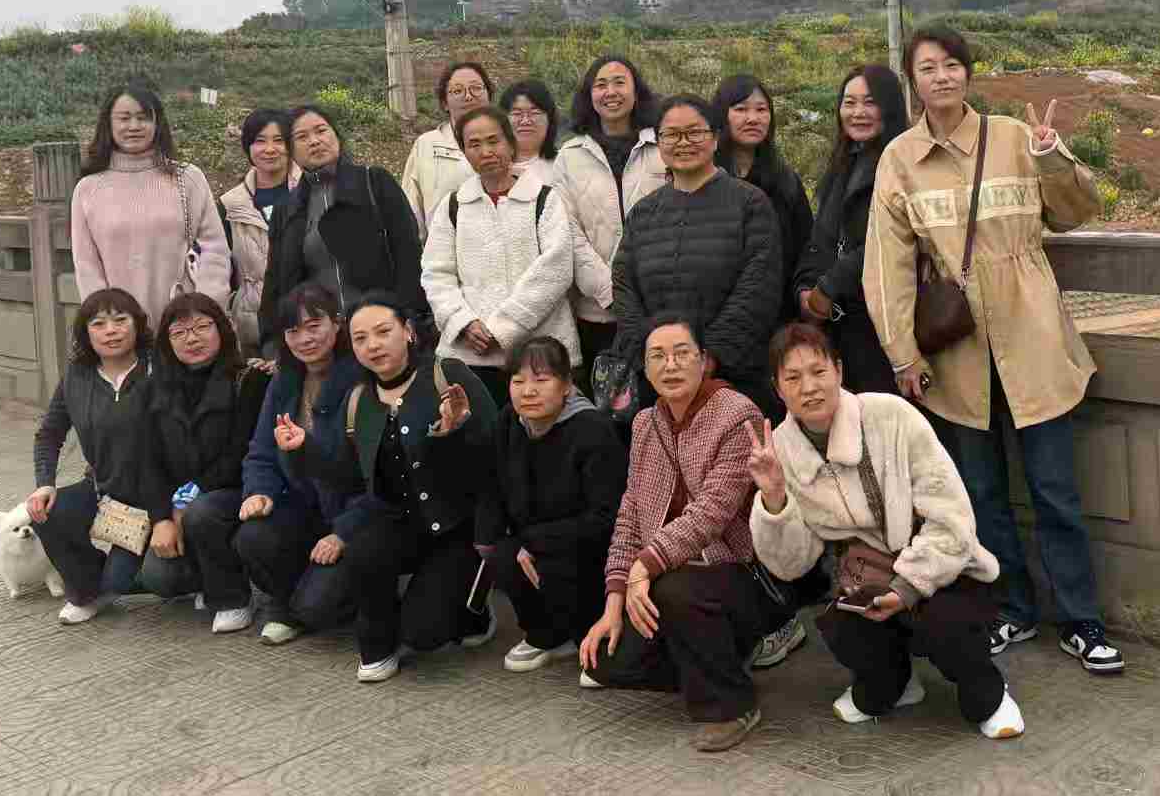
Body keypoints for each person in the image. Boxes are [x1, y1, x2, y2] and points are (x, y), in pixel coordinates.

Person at [865, 24, 1124, 673]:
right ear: (913, 81)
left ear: (968, 73)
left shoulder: (1013, 137)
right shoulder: (899, 159)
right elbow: (887, 268)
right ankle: (1013, 607)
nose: (943, 76)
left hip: (1033, 341)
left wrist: (1052, 156)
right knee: (981, 495)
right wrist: (903, 354)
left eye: (952, 64)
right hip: (958, 353)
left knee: (1055, 491)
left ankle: (1082, 619)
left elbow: (1075, 212)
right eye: (928, 67)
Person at [748, 324, 1024, 738]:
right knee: (846, 631)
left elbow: (951, 518)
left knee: (947, 626)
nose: (809, 387)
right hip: (865, 578)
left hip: (940, 569)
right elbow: (791, 564)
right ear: (778, 389)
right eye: (793, 377)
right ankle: (895, 684)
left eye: (819, 371)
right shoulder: (780, 450)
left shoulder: (891, 416)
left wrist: (907, 586)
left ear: (839, 371)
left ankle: (989, 694)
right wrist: (773, 498)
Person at [577, 315, 793, 754]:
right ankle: (716, 662)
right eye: (658, 356)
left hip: (743, 576)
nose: (670, 365)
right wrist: (614, 603)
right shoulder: (644, 423)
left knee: (675, 588)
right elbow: (630, 514)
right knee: (603, 661)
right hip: (669, 578)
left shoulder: (738, 415)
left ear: (704, 360)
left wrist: (644, 567)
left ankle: (731, 705)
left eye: (681, 353)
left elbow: (710, 514)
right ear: (645, 367)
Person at [275, 292, 499, 683]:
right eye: (360, 338)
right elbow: (347, 476)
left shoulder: (447, 375)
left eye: (383, 332)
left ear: (408, 331)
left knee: (424, 635)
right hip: (399, 523)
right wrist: (303, 449)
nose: (373, 345)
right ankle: (378, 645)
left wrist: (456, 431)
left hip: (457, 528)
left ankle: (472, 610)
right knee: (364, 549)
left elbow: (495, 457)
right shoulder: (359, 399)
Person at [612, 94, 783, 421]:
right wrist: (652, 356)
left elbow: (758, 288)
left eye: (694, 133)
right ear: (658, 142)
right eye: (671, 135)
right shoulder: (644, 213)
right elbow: (623, 286)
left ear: (716, 138)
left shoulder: (750, 204)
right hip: (657, 384)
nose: (683, 142)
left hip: (731, 379)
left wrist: (709, 357)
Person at [476, 336, 626, 673]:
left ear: (567, 385)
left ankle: (586, 627)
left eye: (541, 380)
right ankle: (545, 635)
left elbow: (606, 518)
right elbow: (492, 485)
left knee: (552, 563)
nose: (528, 391)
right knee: (502, 555)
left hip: (587, 549)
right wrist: (492, 539)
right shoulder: (509, 421)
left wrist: (534, 541)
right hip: (532, 538)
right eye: (518, 381)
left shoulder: (593, 430)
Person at [421, 106, 581, 406]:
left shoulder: (545, 199)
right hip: (470, 357)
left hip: (541, 353)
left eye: (494, 141)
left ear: (510, 143)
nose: (486, 151)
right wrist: (463, 323)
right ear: (464, 151)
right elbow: (436, 274)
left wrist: (502, 328)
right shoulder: (453, 206)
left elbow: (556, 270)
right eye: (474, 144)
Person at [235, 283, 365, 645]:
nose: (305, 339)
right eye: (293, 330)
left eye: (314, 326)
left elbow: (374, 477)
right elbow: (261, 451)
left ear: (337, 323)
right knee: (252, 535)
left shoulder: (361, 378)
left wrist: (344, 531)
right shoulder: (284, 381)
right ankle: (284, 601)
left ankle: (316, 602)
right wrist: (258, 492)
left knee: (317, 609)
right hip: (303, 509)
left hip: (353, 513)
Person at [28, 288, 165, 625]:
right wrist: (45, 483)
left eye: (120, 320)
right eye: (99, 323)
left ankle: (196, 577)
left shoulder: (161, 368)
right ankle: (87, 591)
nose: (111, 331)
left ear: (137, 325)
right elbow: (49, 433)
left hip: (160, 494)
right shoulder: (77, 376)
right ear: (85, 332)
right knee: (47, 513)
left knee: (144, 579)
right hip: (105, 489)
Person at [135, 294, 270, 633]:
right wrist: (162, 518)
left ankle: (233, 598)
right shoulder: (154, 389)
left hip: (235, 492)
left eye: (201, 327)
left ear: (221, 329)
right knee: (158, 576)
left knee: (203, 513)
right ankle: (206, 579)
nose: (191, 339)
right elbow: (149, 461)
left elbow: (241, 453)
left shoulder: (248, 380)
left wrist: (188, 500)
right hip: (182, 501)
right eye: (179, 332)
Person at [258, 106, 427, 355]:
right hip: (324, 344)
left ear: (336, 136)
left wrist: (411, 318)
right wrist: (272, 343)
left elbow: (409, 254)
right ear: (291, 151)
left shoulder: (374, 183)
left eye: (321, 131)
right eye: (302, 137)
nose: (314, 141)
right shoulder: (287, 209)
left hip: (383, 332)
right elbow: (276, 281)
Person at [71, 82, 231, 331]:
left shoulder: (187, 178)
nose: (134, 126)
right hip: (123, 332)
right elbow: (87, 266)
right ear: (108, 124)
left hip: (186, 327)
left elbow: (214, 249)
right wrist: (109, 323)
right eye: (124, 118)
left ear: (157, 124)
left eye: (143, 117)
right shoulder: (88, 189)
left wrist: (205, 309)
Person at [792, 64, 910, 395]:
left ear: (889, 107)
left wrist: (827, 288)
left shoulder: (900, 164)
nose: (858, 113)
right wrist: (805, 286)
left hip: (880, 324)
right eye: (849, 102)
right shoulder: (844, 162)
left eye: (870, 102)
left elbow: (882, 240)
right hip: (841, 321)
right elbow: (822, 237)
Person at [553, 55, 667, 370]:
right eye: (601, 85)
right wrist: (610, 292)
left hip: (658, 304)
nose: (611, 92)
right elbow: (568, 231)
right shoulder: (570, 156)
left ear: (636, 91)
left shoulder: (662, 147)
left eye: (620, 82)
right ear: (589, 95)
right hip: (597, 311)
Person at [711, 74, 813, 325]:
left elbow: (805, 246)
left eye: (761, 109)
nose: (753, 118)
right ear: (721, 115)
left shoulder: (785, 180)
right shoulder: (705, 178)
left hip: (778, 315)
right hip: (718, 317)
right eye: (740, 109)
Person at [221, 108, 299, 356]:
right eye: (260, 141)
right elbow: (222, 269)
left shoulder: (312, 192)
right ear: (248, 147)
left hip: (308, 321)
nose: (270, 149)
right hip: (253, 331)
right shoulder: (230, 205)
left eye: (279, 140)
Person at [401, 60, 495, 234]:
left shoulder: (508, 142)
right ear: (445, 102)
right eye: (457, 91)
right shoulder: (426, 145)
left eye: (476, 88)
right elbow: (411, 213)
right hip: (441, 247)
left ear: (489, 95)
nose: (469, 96)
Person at [500, 79, 562, 181]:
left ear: (549, 119)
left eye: (535, 113)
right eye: (517, 113)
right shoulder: (490, 166)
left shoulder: (564, 165)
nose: (525, 121)